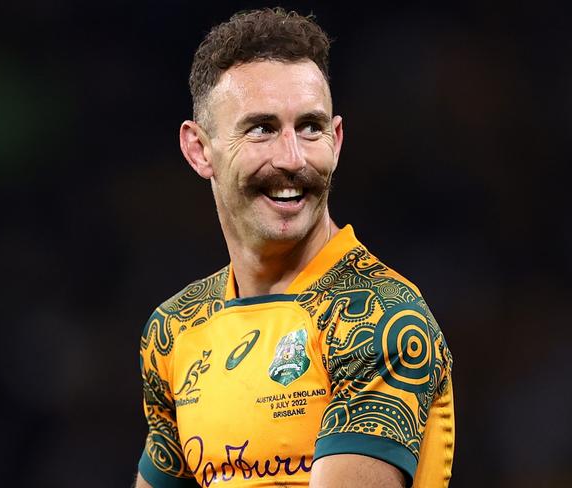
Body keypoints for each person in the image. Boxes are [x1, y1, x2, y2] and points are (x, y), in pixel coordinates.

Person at [135, 7, 454, 488]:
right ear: (200, 150)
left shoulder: (378, 318)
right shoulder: (174, 330)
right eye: (262, 128)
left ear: (337, 140)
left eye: (310, 127)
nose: (292, 158)